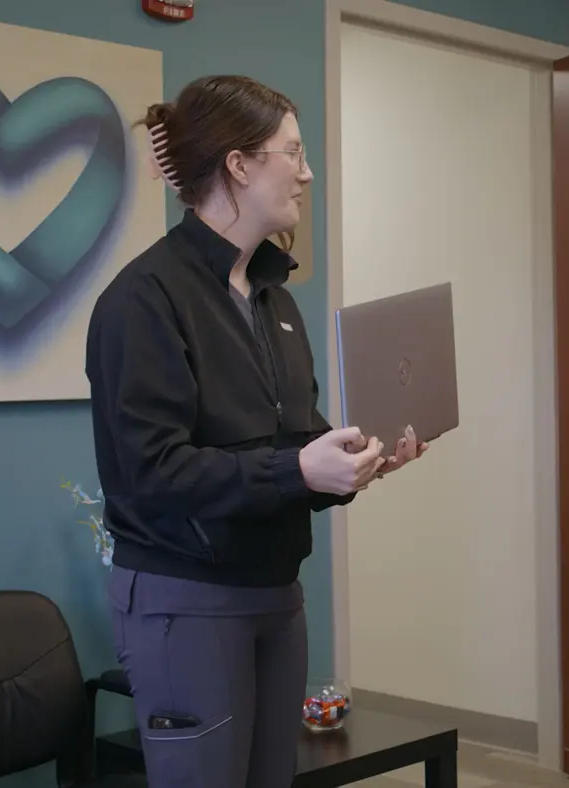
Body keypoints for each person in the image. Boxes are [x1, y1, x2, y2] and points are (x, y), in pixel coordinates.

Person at [84, 75, 427, 788]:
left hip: (276, 594)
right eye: (291, 152)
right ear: (239, 165)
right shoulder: (144, 301)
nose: (305, 172)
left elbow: (288, 446)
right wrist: (301, 471)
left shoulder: (274, 299)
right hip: (185, 599)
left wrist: (358, 460)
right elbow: (152, 473)